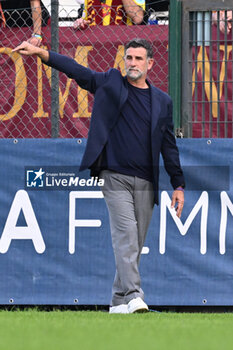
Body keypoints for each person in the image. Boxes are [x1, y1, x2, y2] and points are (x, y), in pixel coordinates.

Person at [13, 38, 185, 313]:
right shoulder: (110, 82)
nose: (132, 63)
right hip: (113, 175)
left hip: (146, 182)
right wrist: (41, 53)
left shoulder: (162, 102)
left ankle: (118, 301)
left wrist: (178, 183)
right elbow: (76, 70)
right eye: (129, 57)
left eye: (139, 59)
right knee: (126, 234)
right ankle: (134, 294)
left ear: (150, 64)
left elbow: (168, 145)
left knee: (136, 242)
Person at [73, 0, 145, 29]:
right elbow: (86, 19)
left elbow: (138, 18)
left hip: (122, 45)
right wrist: (81, 22)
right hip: (95, 45)